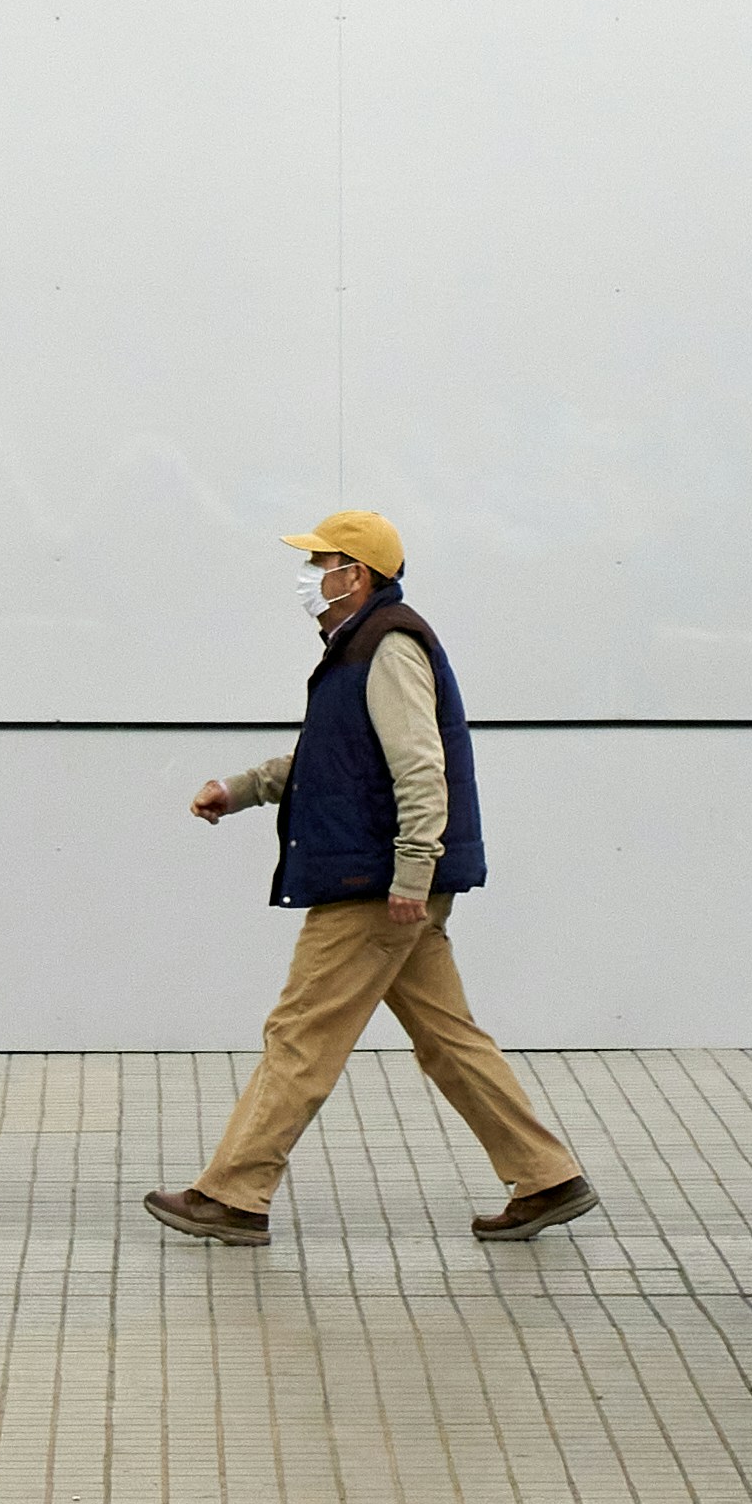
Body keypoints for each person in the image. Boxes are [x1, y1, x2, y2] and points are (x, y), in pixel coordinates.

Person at [143, 509, 595, 1248]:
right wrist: (242, 787)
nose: (309, 577)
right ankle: (545, 1175)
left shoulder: (386, 647)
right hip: (387, 876)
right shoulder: (356, 648)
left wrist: (412, 871)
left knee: (301, 1032)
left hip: (374, 880)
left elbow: (422, 767)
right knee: (447, 1036)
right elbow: (329, 761)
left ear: (354, 573)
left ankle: (233, 1192)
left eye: (319, 562)